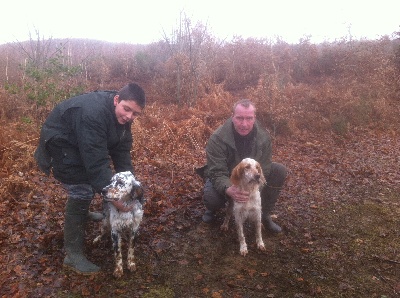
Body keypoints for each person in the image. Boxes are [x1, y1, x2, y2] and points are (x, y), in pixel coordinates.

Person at [34, 83, 146, 275]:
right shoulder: (94, 114)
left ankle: (82, 213)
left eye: (135, 114)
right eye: (126, 109)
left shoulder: (123, 121)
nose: (129, 117)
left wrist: (131, 189)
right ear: (117, 100)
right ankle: (73, 255)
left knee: (93, 182)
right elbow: (96, 162)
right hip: (61, 144)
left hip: (80, 143)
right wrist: (115, 199)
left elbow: (122, 154)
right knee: (82, 190)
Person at [199, 99, 287, 233]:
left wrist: (254, 188)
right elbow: (216, 171)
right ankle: (211, 210)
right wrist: (229, 188)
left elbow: (265, 167)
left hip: (251, 178)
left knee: (279, 170)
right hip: (227, 176)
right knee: (212, 198)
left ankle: (265, 214)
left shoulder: (264, 137)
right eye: (239, 118)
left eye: (249, 118)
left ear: (254, 118)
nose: (244, 124)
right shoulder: (217, 138)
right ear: (232, 117)